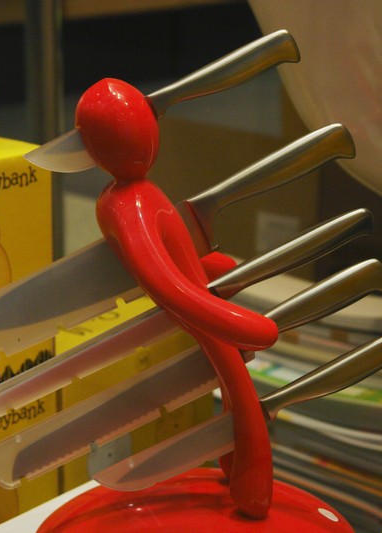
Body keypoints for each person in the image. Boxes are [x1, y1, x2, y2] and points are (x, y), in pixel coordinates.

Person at [76, 77, 279, 519]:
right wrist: (230, 318)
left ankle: (246, 477)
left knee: (238, 386)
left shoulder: (136, 197)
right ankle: (251, 483)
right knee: (238, 387)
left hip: (204, 305)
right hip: (201, 311)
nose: (143, 140)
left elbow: (176, 269)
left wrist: (215, 282)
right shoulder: (125, 206)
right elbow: (164, 282)